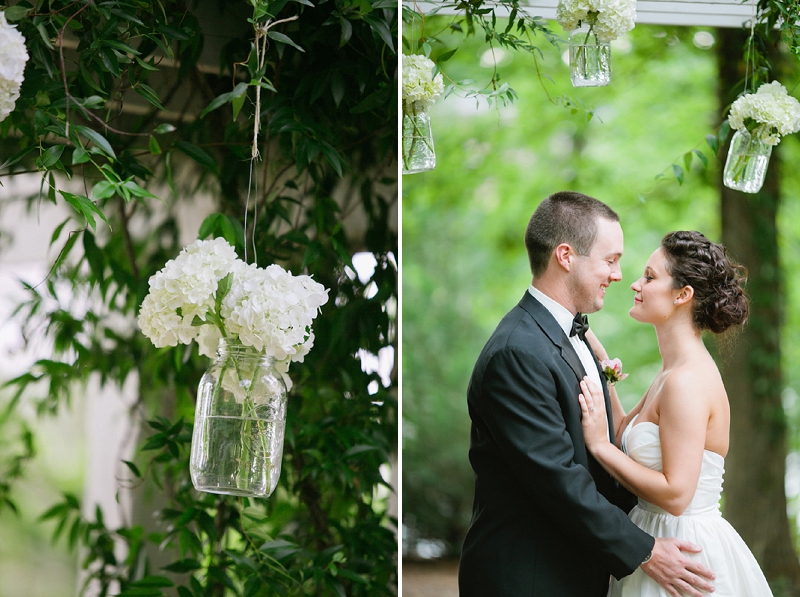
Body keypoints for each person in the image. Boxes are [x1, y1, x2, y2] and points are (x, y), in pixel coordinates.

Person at [458, 191, 716, 597]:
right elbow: (557, 479)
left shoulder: (570, 334)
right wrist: (645, 550)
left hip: (577, 570)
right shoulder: (517, 352)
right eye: (610, 260)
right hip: (531, 578)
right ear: (565, 256)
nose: (618, 275)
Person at [578, 230, 774, 596]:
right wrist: (600, 363)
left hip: (683, 547)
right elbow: (623, 430)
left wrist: (599, 448)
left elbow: (676, 493)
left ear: (683, 295)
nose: (635, 284)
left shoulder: (686, 381)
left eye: (650, 277)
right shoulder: (671, 372)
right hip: (653, 536)